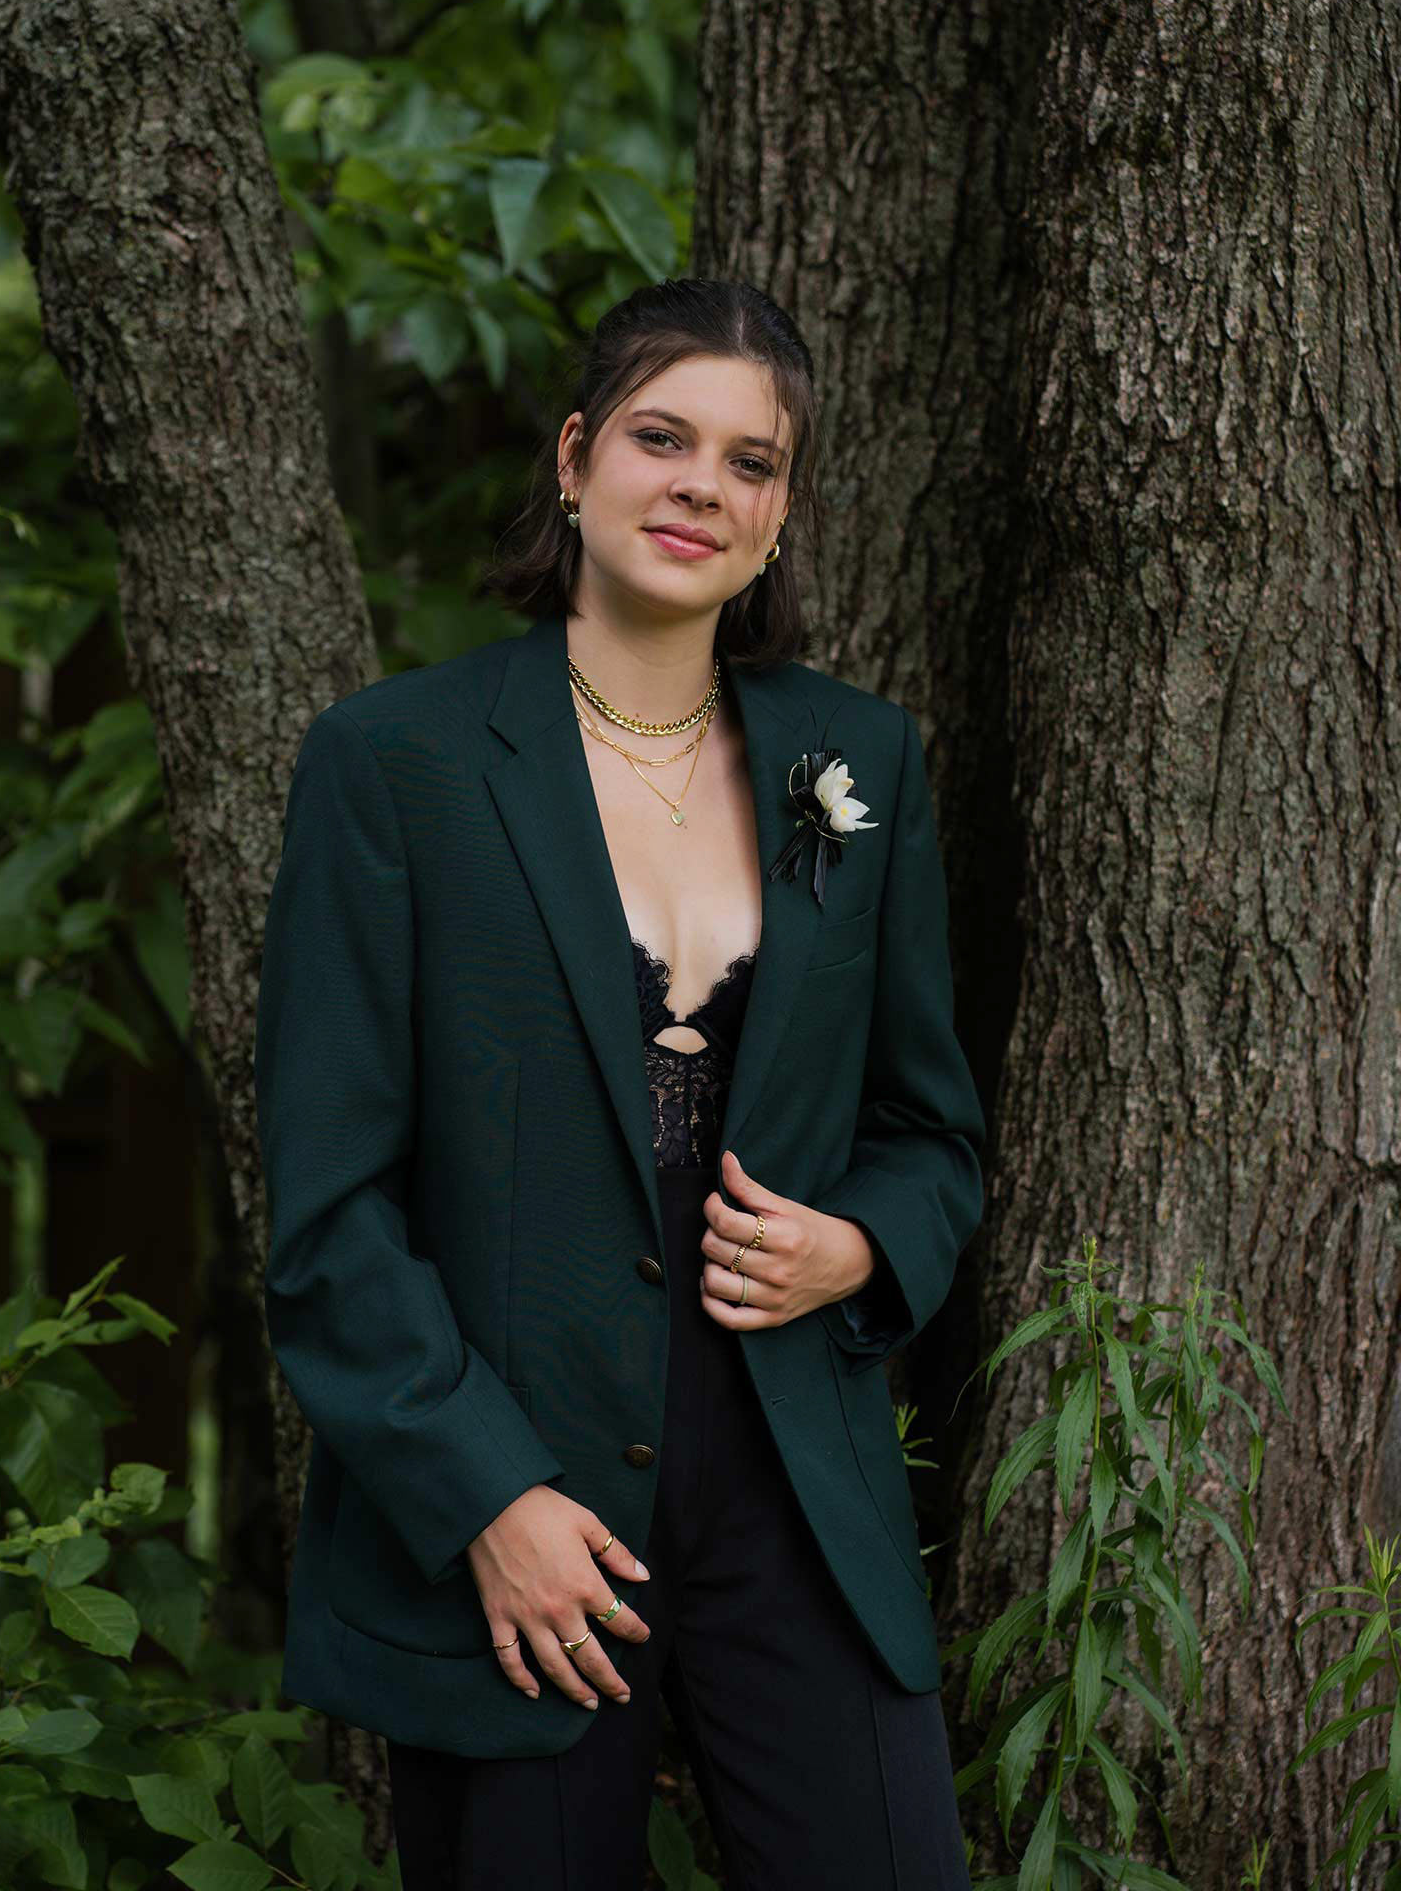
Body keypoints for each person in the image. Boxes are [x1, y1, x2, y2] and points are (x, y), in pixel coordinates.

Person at [254, 277, 985, 1889]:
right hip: (527, 1508)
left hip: (798, 1489)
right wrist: (483, 1498)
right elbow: (328, 1212)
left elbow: (929, 1132)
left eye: (749, 462)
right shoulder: (397, 765)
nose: (701, 486)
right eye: (664, 439)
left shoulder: (854, 767)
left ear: (779, 516)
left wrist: (858, 1246)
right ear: (576, 459)